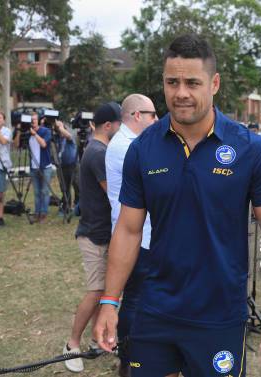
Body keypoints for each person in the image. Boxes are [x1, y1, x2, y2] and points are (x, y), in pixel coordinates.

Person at [94, 34, 261, 377]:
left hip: (220, 313)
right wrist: (110, 302)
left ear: (214, 83)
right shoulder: (143, 149)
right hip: (155, 308)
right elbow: (127, 230)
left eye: (192, 82)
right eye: (172, 82)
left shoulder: (250, 149)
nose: (181, 92)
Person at [63, 102, 121, 373]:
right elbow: (115, 195)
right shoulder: (99, 153)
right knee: (97, 291)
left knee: (108, 292)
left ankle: (101, 340)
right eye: (120, 124)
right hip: (94, 236)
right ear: (109, 125)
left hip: (102, 234)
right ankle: (71, 345)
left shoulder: (100, 150)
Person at [105, 94, 156, 377]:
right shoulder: (127, 147)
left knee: (138, 298)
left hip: (141, 232)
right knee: (134, 300)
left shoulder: (129, 144)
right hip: (137, 235)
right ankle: (128, 359)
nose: (156, 120)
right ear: (137, 115)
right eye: (152, 115)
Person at [14, 112, 52, 223]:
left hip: (45, 166)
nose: (33, 121)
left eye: (35, 119)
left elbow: (44, 144)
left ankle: (43, 213)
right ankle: (37, 212)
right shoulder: (27, 133)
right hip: (33, 167)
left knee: (45, 191)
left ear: (38, 121)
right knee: (36, 192)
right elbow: (16, 145)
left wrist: (34, 134)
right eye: (31, 120)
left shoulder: (45, 131)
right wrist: (19, 131)